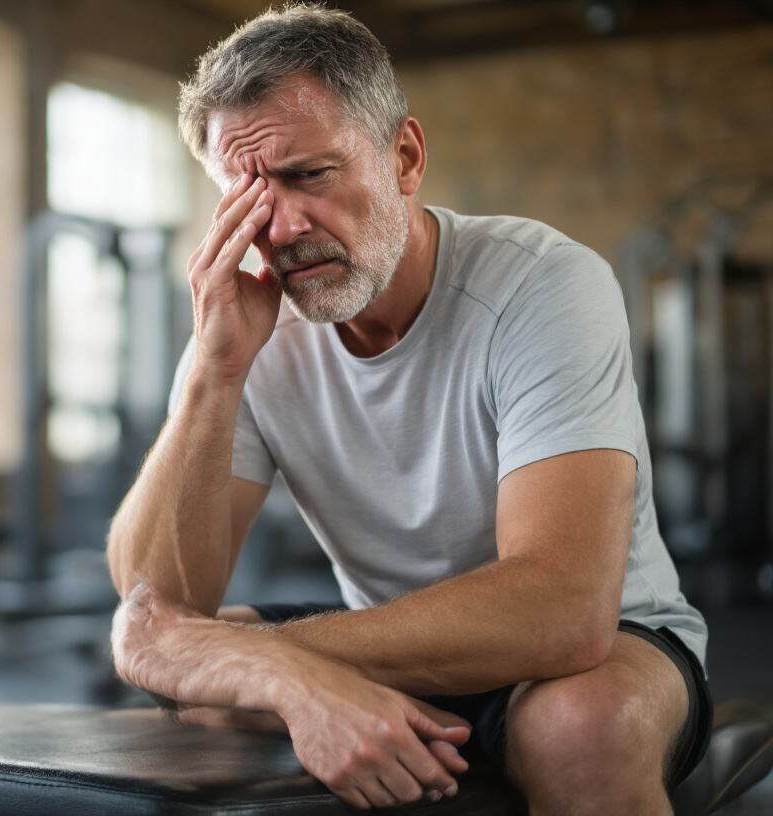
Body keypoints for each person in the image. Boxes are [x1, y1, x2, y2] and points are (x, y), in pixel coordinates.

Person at [105, 5, 710, 814]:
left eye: (309, 175)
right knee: (201, 689)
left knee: (579, 727)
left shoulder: (543, 284)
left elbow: (563, 610)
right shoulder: (247, 325)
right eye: (246, 192)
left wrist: (262, 660)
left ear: (404, 157)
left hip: (604, 644)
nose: (281, 227)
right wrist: (213, 370)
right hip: (391, 633)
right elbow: (154, 606)